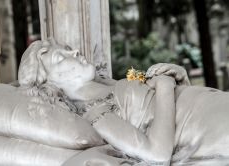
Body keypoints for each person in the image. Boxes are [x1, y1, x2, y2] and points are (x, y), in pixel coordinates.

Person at [18, 39, 229, 165]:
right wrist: (165, 87)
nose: (74, 51)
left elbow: (162, 107)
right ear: (51, 85)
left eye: (67, 48)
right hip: (213, 128)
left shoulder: (110, 85)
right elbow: (157, 155)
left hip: (210, 109)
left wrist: (180, 79)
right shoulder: (96, 113)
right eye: (61, 58)